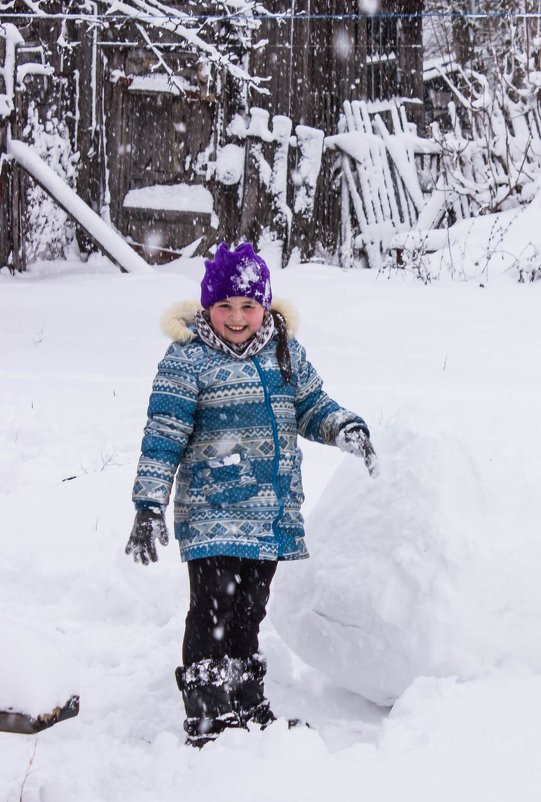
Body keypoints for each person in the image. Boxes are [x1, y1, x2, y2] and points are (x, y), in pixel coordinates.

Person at [126, 242, 378, 747]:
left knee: (248, 611)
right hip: (211, 512)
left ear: (264, 306)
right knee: (213, 610)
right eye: (224, 306)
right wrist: (149, 503)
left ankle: (245, 705)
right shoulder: (188, 360)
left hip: (269, 514)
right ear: (206, 309)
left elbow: (311, 405)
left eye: (247, 306)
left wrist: (343, 426)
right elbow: (163, 434)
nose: (237, 317)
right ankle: (207, 717)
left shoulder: (284, 352)